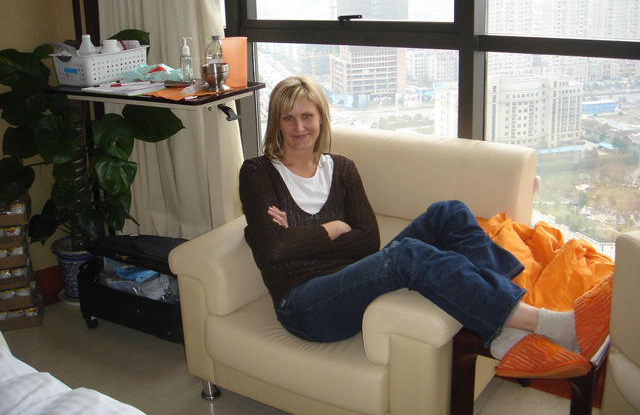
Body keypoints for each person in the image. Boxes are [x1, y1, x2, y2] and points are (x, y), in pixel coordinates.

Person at [239, 75, 612, 379]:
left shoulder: (343, 168)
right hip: (304, 304)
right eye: (288, 118)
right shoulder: (258, 173)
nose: (299, 127)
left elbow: (367, 242)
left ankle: (510, 323)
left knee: (448, 212)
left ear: (321, 119)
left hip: (354, 277)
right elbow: (275, 252)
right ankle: (545, 324)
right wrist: (334, 227)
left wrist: (298, 234)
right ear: (276, 122)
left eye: (307, 116)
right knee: (407, 256)